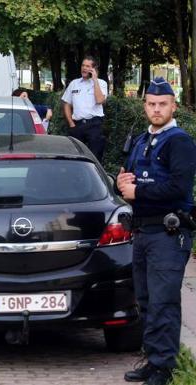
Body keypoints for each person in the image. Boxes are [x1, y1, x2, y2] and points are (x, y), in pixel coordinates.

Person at [118, 77, 196, 385]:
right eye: (151, 104)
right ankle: (153, 360)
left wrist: (139, 193)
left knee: (164, 301)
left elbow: (178, 187)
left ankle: (164, 367)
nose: (156, 109)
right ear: (145, 105)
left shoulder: (179, 141)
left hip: (168, 234)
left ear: (173, 106)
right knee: (147, 301)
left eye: (162, 104)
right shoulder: (141, 139)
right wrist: (120, 184)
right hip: (143, 233)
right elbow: (128, 177)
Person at [61, 56, 108, 162]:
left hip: (94, 125)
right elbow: (67, 103)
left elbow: (100, 100)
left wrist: (95, 80)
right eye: (83, 65)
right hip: (77, 125)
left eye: (88, 66)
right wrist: (71, 123)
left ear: (94, 69)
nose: (84, 68)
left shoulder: (101, 83)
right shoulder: (74, 83)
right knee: (75, 158)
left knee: (95, 158)